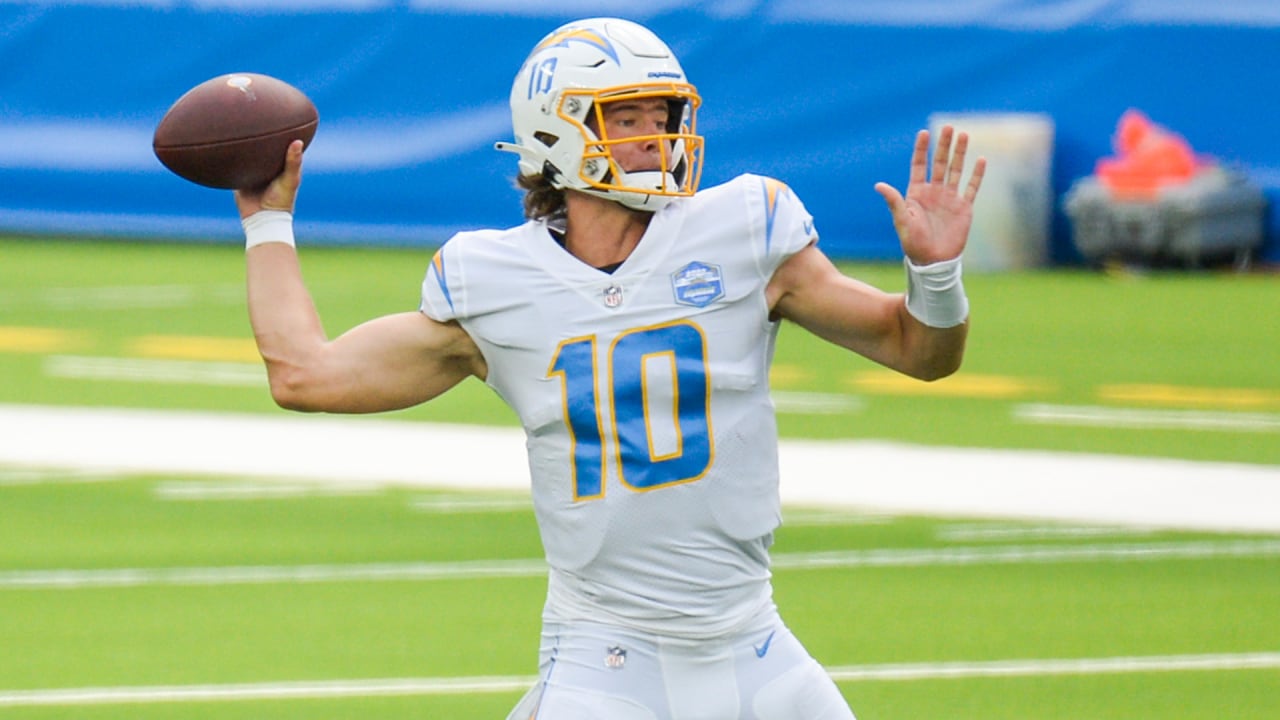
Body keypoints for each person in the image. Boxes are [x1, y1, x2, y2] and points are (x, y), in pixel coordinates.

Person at [234, 17, 984, 720]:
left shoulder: (744, 229)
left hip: (756, 648)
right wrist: (268, 221)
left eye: (662, 115)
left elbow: (919, 352)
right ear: (554, 130)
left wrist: (936, 274)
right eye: (625, 118)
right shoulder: (493, 279)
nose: (654, 135)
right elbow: (304, 375)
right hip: (605, 663)